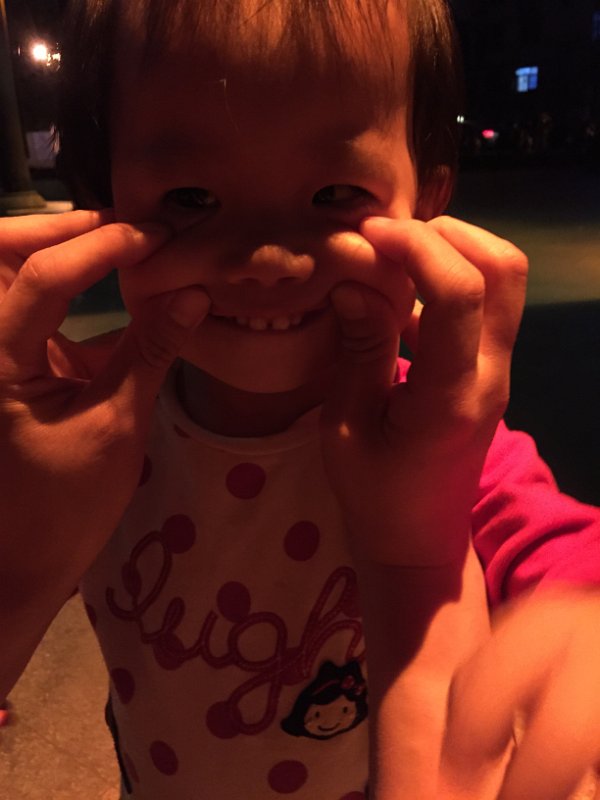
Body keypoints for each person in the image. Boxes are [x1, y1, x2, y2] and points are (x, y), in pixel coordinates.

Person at [0, 1, 599, 798]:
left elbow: (559, 546)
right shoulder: (69, 418)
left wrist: (580, 622)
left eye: (334, 193)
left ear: (427, 204)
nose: (269, 260)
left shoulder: (435, 436)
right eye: (192, 198)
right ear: (99, 203)